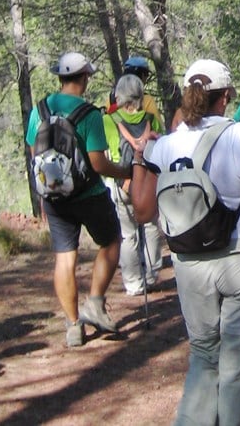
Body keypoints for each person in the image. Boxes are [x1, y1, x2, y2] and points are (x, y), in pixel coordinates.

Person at [129, 59, 240, 426]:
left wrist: (138, 157)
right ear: (225, 96)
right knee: (238, 364)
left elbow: (143, 211)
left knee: (204, 354)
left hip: (191, 263)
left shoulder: (165, 147)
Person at [25, 51, 131, 347]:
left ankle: (73, 326)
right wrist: (125, 171)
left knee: (65, 258)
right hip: (89, 194)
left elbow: (34, 152)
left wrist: (47, 190)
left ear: (60, 77)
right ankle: (94, 303)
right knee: (110, 241)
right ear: (84, 77)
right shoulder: (89, 114)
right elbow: (97, 163)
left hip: (54, 197)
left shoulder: (40, 110)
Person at [103, 74, 165, 295]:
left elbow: (107, 151)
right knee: (150, 225)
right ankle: (151, 273)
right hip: (147, 179)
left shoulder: (109, 119)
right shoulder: (151, 118)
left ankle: (133, 283)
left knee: (127, 233)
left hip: (122, 181)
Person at [107, 55, 163, 123]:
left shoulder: (111, 98)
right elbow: (158, 127)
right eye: (147, 74)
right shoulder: (147, 99)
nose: (147, 78)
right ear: (142, 75)